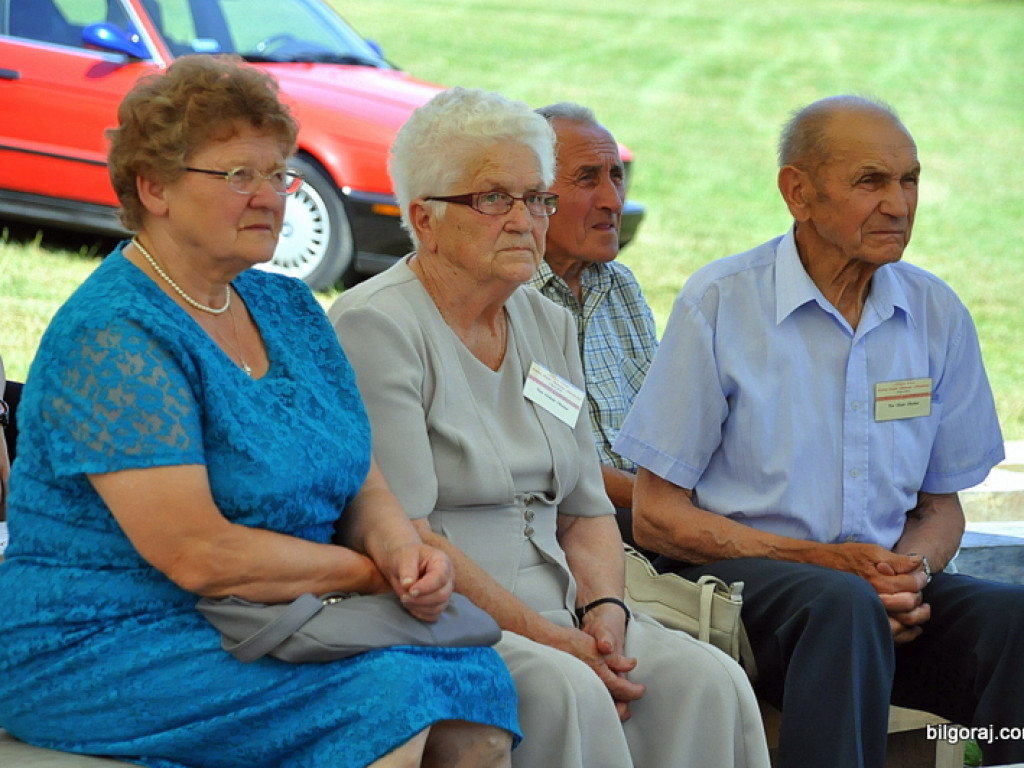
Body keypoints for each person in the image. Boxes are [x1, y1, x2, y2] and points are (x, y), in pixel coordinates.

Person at [0, 56, 518, 768]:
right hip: (110, 638)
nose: (269, 197)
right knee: (392, 693)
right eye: (238, 175)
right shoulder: (114, 333)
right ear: (153, 188)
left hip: (271, 613)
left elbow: (357, 474)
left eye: (278, 174)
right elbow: (199, 555)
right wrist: (368, 575)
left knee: (473, 680)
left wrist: (401, 550)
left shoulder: (289, 306)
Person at [329, 86, 770, 768]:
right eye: (491, 199)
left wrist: (605, 616)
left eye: (535, 198)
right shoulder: (377, 326)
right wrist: (545, 634)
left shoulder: (546, 322)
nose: (523, 220)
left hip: (569, 600)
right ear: (424, 218)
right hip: (448, 613)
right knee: (570, 689)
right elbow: (405, 530)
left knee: (709, 681)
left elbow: (587, 509)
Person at [615, 94, 1024, 768]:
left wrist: (909, 577)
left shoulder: (935, 313)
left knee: (1009, 622)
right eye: (872, 181)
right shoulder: (721, 304)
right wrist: (829, 567)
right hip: (744, 589)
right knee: (842, 608)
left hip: (878, 595)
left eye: (909, 179)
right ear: (797, 192)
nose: (899, 203)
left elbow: (940, 507)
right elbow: (658, 518)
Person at [528, 102, 657, 544]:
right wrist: (667, 505)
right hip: (569, 521)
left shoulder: (619, 285)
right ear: (535, 196)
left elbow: (662, 422)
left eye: (616, 176)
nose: (613, 201)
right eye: (587, 179)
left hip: (648, 510)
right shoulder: (508, 298)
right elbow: (544, 462)